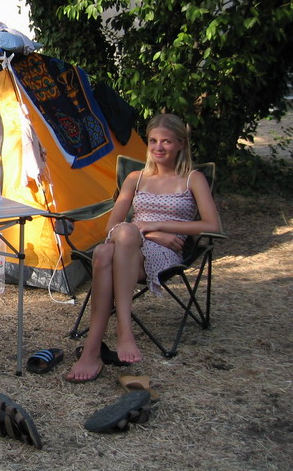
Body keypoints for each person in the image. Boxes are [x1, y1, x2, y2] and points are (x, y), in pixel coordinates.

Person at [66, 113, 221, 383]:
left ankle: (94, 350)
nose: (158, 147)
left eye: (166, 141)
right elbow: (112, 227)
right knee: (110, 245)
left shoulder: (192, 178)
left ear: (181, 144)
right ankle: (118, 333)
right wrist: (152, 232)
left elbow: (212, 224)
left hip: (165, 253)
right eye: (153, 141)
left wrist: (158, 226)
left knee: (106, 251)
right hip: (130, 244)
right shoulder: (135, 178)